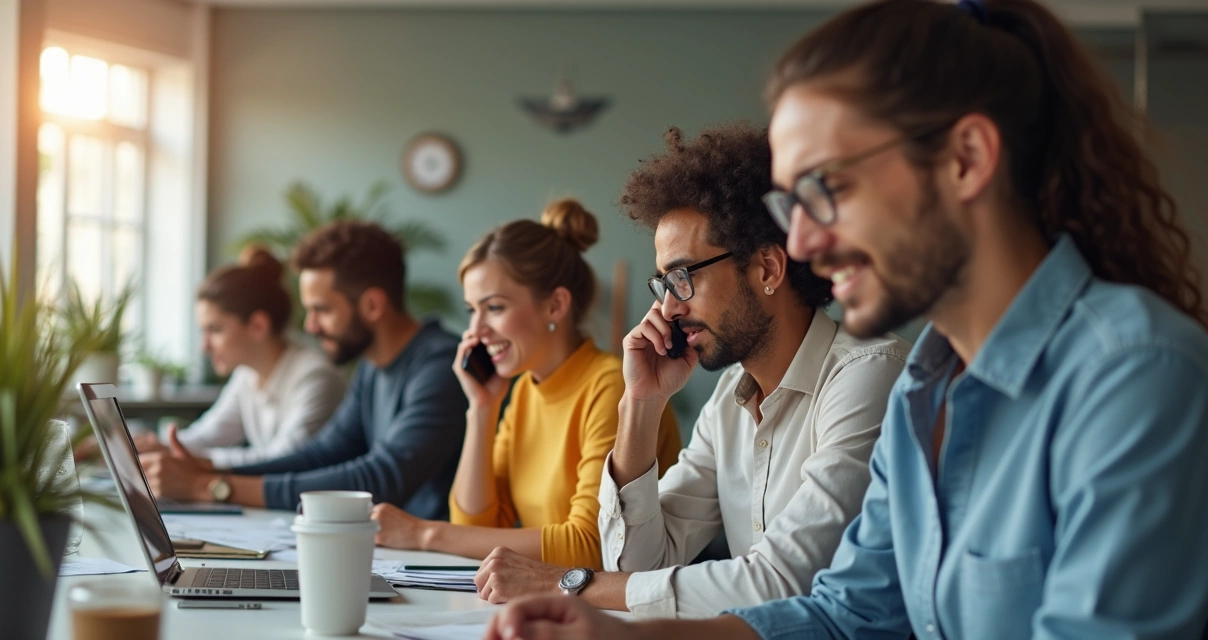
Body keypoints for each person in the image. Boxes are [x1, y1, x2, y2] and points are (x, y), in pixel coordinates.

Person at [485, 0, 1208, 638]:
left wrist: (584, 590)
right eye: (789, 207)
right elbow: (846, 613)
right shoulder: (929, 386)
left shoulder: (1135, 374)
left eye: (827, 188)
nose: (800, 244)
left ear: (965, 159)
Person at [468, 126, 909, 615]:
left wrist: (565, 584)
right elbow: (636, 563)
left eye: (683, 278)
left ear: (767, 268)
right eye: (664, 285)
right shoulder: (729, 400)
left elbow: (782, 583)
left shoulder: (869, 376)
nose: (669, 309)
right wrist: (642, 403)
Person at [371, 199, 681, 570]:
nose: (475, 331)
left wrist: (423, 534)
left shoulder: (610, 385)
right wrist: (481, 410)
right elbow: (476, 526)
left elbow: (592, 545)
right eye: (473, 310)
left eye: (495, 308)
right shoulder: (523, 390)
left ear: (555, 306)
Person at [141, 220, 468, 519]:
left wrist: (209, 487)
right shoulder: (371, 367)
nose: (310, 326)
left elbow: (382, 478)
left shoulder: (440, 365)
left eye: (321, 310)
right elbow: (321, 455)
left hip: (440, 566)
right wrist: (206, 468)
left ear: (372, 305)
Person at [133, 248, 346, 468]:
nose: (204, 346)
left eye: (215, 330)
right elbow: (207, 436)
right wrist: (156, 447)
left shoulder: (316, 376)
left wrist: (193, 462)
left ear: (258, 326)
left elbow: (283, 458)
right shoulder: (247, 375)